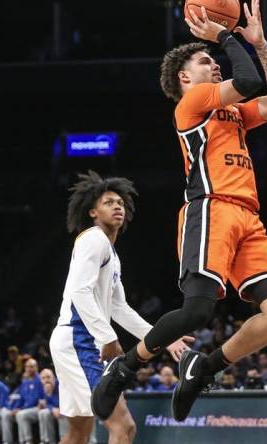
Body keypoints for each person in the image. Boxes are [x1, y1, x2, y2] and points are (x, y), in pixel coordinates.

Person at [91, 0, 267, 424]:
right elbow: (248, 79)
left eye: (213, 58)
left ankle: (204, 368)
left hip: (248, 217)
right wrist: (224, 35)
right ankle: (126, 366)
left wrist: (258, 43)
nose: (215, 64)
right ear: (186, 78)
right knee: (198, 312)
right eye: (206, 61)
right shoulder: (191, 105)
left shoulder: (233, 113)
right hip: (212, 208)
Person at [49, 171, 191, 444]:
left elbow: (119, 308)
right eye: (109, 202)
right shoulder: (93, 239)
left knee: (78, 434)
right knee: (123, 428)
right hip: (81, 341)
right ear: (92, 211)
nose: (117, 206)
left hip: (76, 341)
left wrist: (164, 338)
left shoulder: (110, 252)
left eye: (121, 203)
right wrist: (108, 338)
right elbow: (80, 292)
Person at [0, 358, 42, 444]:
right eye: (26, 367)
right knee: (6, 414)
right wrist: (15, 408)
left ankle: (27, 440)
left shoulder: (40, 380)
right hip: (24, 408)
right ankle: (7, 441)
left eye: (31, 367)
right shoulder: (25, 382)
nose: (28, 369)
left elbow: (35, 400)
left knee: (20, 414)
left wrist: (21, 408)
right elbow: (21, 398)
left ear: (36, 368)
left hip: (37, 408)